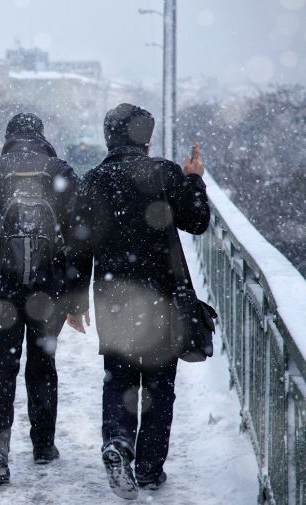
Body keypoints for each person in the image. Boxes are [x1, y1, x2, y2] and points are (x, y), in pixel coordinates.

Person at [66, 103, 209, 500]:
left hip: (113, 296)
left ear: (108, 136)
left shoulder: (92, 180)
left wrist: (75, 302)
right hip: (163, 296)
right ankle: (149, 469)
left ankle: (117, 443)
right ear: (145, 138)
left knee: (120, 377)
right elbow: (197, 221)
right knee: (160, 385)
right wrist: (194, 180)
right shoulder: (164, 173)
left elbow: (78, 246)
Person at [0, 113, 79, 485]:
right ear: (41, 135)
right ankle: (43, 444)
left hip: (1, 294)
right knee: (42, 367)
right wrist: (71, 293)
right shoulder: (60, 172)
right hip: (48, 293)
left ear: (9, 136)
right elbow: (78, 238)